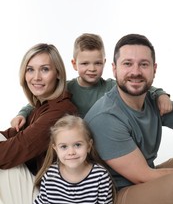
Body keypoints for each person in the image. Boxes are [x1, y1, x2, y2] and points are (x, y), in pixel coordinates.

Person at [84, 33, 173, 204]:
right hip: (114, 199)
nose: (136, 71)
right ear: (114, 69)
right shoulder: (106, 117)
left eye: (143, 64)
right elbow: (144, 176)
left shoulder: (153, 100)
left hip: (142, 183)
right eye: (127, 63)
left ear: (154, 69)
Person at [11, 33, 172, 131]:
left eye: (97, 63)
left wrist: (161, 95)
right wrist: (22, 114)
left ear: (105, 62)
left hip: (104, 143)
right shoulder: (66, 88)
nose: (92, 69)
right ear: (74, 64)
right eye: (85, 64)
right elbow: (39, 100)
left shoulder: (111, 86)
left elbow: (139, 86)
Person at [0, 43, 78, 204]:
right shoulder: (41, 108)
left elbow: (16, 149)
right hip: (40, 196)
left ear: (58, 73)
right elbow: (11, 135)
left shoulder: (60, 111)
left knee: (3, 159)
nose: (36, 77)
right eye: (30, 70)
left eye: (44, 69)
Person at [29, 114, 114, 204]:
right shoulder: (50, 176)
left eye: (77, 145)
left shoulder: (100, 177)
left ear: (89, 146)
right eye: (64, 146)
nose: (71, 152)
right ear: (55, 149)